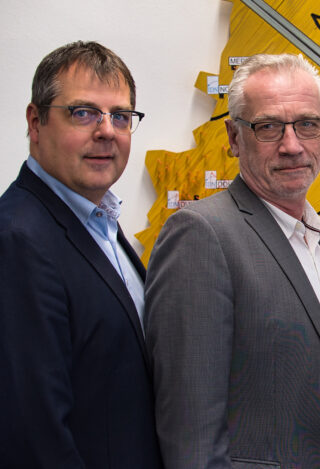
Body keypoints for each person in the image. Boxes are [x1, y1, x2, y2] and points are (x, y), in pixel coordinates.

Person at [145, 53, 320, 468]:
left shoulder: (309, 235)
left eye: (307, 124)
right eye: (268, 127)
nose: (292, 146)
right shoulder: (201, 235)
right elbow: (191, 436)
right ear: (234, 137)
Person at [0, 41, 161, 468]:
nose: (107, 131)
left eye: (120, 116)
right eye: (83, 113)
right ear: (35, 122)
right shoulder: (18, 241)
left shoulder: (99, 221)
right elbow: (33, 437)